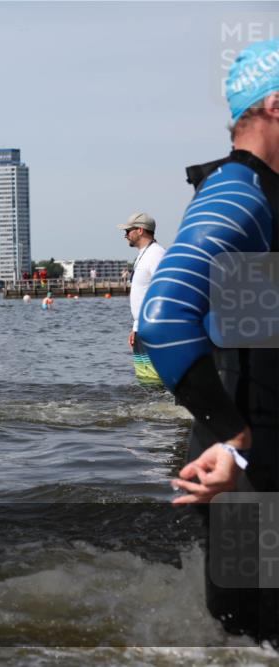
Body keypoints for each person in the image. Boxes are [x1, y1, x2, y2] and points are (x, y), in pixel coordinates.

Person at [138, 39, 278, 644]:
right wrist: (234, 436)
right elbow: (163, 320)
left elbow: (256, 335)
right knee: (255, 641)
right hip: (248, 474)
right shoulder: (238, 193)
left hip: (255, 461)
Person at [117, 212, 166, 386]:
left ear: (140, 230)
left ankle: (164, 412)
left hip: (153, 329)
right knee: (147, 380)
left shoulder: (157, 255)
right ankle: (152, 412)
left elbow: (165, 292)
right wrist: (136, 327)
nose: (125, 235)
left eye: (128, 230)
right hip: (142, 327)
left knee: (155, 382)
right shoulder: (144, 254)